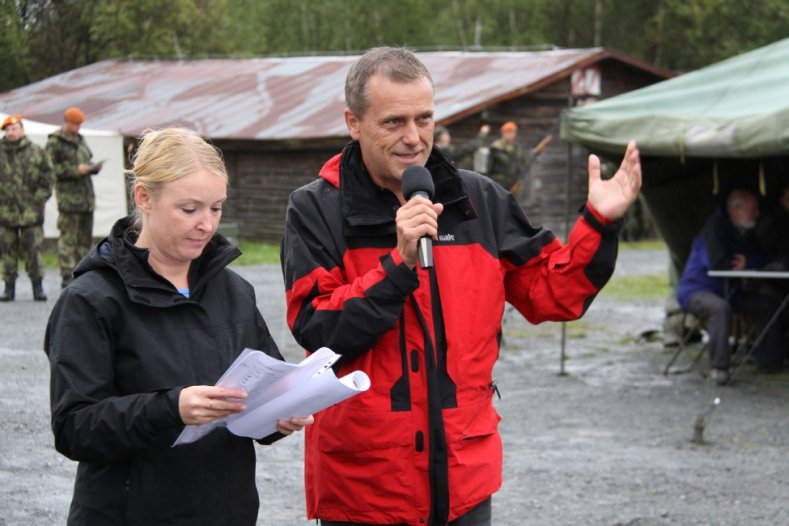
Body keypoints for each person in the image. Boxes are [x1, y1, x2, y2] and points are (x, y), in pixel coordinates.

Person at [281, 47, 641, 525]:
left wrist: (598, 222)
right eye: (394, 122)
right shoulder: (316, 209)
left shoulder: (477, 200)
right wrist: (397, 266)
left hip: (463, 479)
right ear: (353, 122)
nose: (414, 138)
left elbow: (554, 292)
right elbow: (316, 328)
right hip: (366, 487)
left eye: (424, 118)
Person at [45, 128, 313, 525]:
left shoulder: (234, 291)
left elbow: (262, 387)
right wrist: (172, 408)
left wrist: (279, 417)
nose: (207, 224)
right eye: (189, 210)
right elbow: (74, 428)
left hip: (227, 511)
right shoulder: (90, 299)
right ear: (144, 198)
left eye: (216, 208)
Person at [677, 188, 787, 385]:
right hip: (698, 290)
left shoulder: (745, 230)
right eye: (753, 209)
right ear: (737, 210)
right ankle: (718, 369)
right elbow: (715, 263)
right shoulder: (715, 228)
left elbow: (760, 257)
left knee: (767, 304)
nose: (758, 213)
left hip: (730, 292)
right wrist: (739, 263)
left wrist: (747, 262)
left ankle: (770, 361)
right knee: (719, 308)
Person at [46, 107, 101, 289]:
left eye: (80, 124)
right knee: (68, 239)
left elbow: (87, 159)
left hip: (86, 199)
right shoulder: (55, 142)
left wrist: (92, 168)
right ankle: (66, 275)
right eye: (75, 124)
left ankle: (84, 272)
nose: (78, 127)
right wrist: (75, 170)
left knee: (85, 240)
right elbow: (49, 169)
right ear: (66, 121)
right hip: (69, 200)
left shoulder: (81, 140)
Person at [0, 113, 53, 301]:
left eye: (14, 129)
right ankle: (8, 288)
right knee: (7, 251)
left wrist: (36, 200)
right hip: (5, 213)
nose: (10, 132)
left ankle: (37, 287)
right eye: (7, 130)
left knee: (33, 250)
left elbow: (47, 179)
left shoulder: (36, 152)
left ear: (22, 130)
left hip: (31, 213)